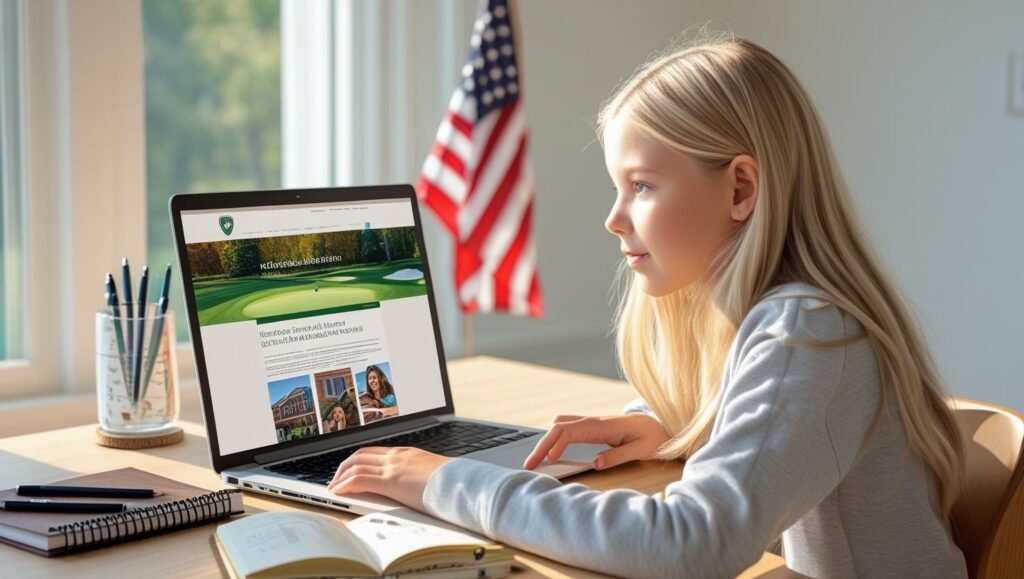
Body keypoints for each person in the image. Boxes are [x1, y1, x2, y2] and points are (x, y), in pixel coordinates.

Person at [325, 32, 968, 578]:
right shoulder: (780, 319)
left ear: (741, 188)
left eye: (641, 186)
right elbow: (783, 442)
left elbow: (688, 543)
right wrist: (685, 428)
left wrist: (445, 483)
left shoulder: (807, 329)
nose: (613, 219)